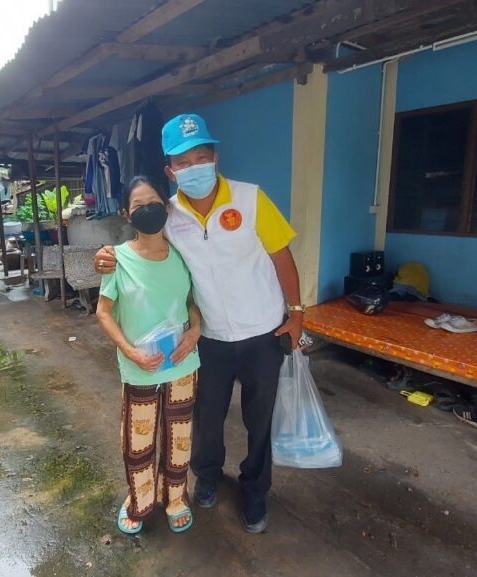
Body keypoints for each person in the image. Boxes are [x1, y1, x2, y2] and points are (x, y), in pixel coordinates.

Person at [95, 113, 304, 533]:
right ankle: (207, 476)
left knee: (259, 419)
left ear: (215, 158)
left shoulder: (250, 198)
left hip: (263, 331)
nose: (194, 168)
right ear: (171, 171)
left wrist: (296, 313)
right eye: (183, 162)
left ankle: (255, 491)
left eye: (201, 158)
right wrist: (106, 254)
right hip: (209, 337)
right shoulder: (168, 213)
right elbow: (143, 245)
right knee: (206, 418)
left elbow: (281, 254)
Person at [96, 175, 202, 535]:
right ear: (127, 214)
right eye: (138, 206)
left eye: (154, 202)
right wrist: (130, 352)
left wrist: (195, 331)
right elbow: (103, 313)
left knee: (179, 439)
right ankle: (139, 501)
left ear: (166, 207)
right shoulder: (117, 259)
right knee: (137, 443)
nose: (148, 210)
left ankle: (175, 499)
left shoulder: (182, 256)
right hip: (140, 368)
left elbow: (192, 302)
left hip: (183, 363)